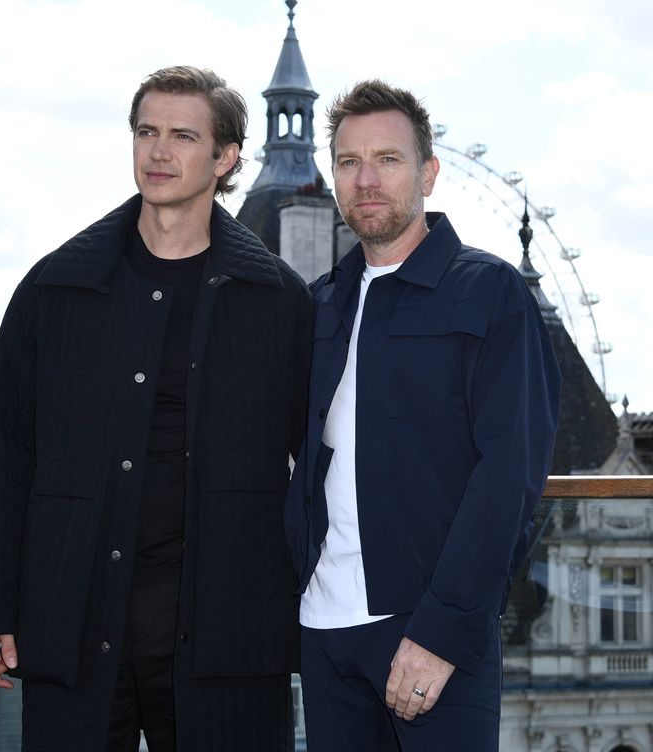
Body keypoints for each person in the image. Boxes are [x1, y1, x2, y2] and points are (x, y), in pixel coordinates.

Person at [0, 65, 311, 752]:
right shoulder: (56, 288)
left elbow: (323, 466)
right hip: (75, 620)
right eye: (147, 132)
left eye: (183, 136)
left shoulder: (279, 300)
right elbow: (5, 452)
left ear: (226, 157)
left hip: (228, 634)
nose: (158, 151)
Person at [284, 80, 561, 751]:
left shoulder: (489, 292)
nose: (366, 180)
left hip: (428, 636)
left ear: (429, 173)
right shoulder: (319, 304)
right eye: (349, 162)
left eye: (388, 159)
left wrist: (443, 632)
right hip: (322, 633)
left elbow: (510, 474)